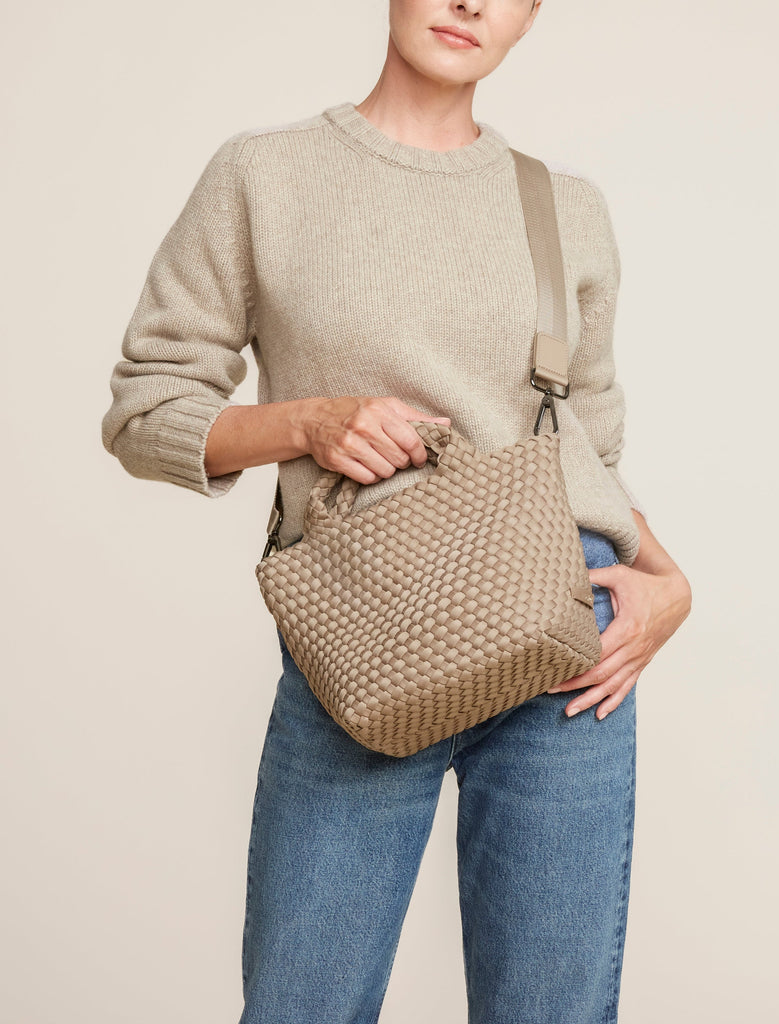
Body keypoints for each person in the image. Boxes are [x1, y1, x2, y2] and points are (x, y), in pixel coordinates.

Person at [101, 1, 692, 1020]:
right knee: (303, 1004)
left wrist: (668, 581)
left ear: (532, 15)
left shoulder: (566, 208)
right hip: (364, 646)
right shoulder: (264, 175)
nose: (469, 3)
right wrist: (308, 423)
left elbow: (584, 453)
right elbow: (145, 410)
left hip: (567, 649)